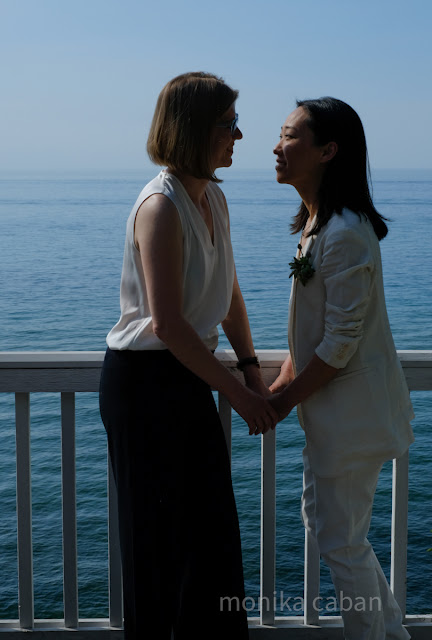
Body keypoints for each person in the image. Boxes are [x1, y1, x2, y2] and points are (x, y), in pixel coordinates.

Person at [99, 72, 277, 640]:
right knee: (157, 547)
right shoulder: (161, 207)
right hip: (145, 386)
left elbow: (228, 292)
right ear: (195, 129)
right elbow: (169, 325)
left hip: (186, 378)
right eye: (228, 124)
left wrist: (250, 367)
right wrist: (241, 396)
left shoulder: (213, 198)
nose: (238, 136)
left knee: (210, 539)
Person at [269, 97, 415, 639]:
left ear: (328, 151)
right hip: (336, 419)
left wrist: (280, 402)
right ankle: (391, 633)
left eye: (290, 136)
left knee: (339, 540)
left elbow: (340, 342)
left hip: (353, 419)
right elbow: (313, 334)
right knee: (333, 532)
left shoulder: (345, 231)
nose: (277, 147)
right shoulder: (320, 225)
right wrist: (282, 382)